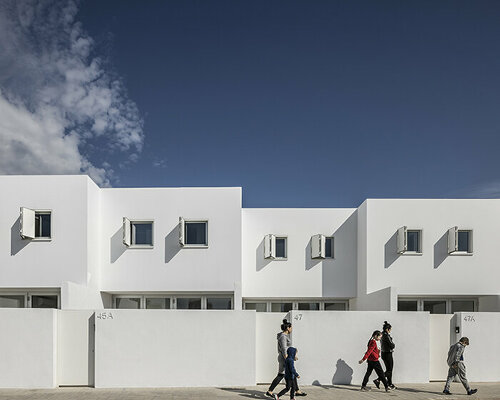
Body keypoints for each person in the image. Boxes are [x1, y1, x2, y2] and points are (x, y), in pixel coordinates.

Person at [266, 319, 307, 397]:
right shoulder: (283, 336)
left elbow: (287, 348)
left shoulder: (283, 336)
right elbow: (284, 348)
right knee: (281, 375)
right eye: (291, 328)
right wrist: (287, 358)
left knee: (291, 373)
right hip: (284, 358)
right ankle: (270, 391)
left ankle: (297, 391)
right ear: (288, 328)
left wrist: (293, 355)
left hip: (287, 357)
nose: (291, 329)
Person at [374, 321, 396, 390]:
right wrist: (393, 344)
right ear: (387, 329)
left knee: (388, 370)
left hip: (384, 353)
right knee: (389, 370)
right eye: (390, 329)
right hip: (388, 354)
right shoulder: (386, 335)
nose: (390, 331)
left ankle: (390, 384)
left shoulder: (382, 334)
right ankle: (378, 380)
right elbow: (392, 345)